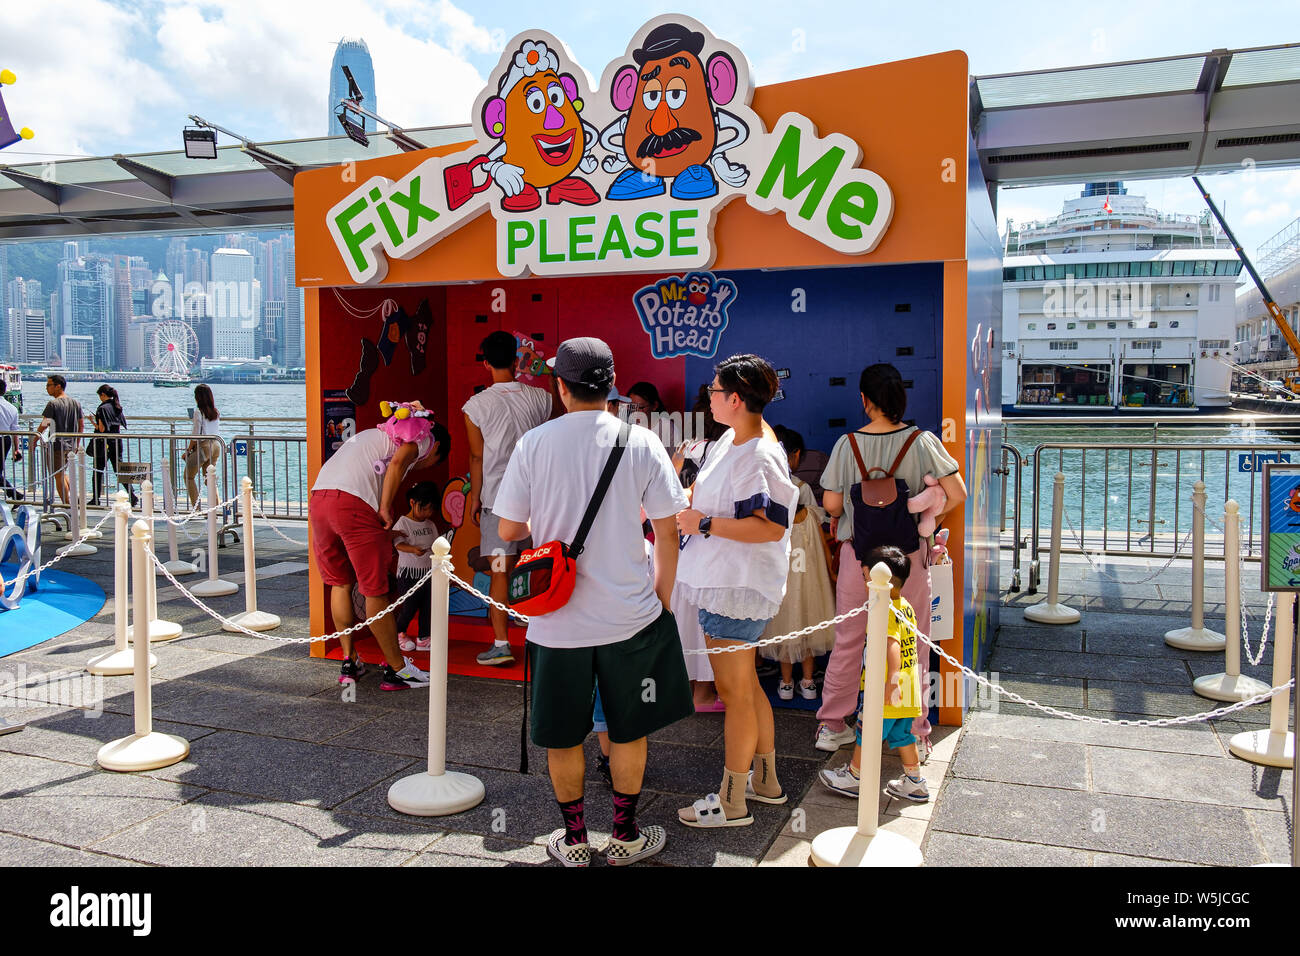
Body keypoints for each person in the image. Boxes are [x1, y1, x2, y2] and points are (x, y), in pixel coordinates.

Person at [492, 336, 692, 867]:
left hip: (556, 622)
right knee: (628, 729)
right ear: (611, 386)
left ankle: (575, 840)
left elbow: (510, 526)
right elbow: (667, 532)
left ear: (560, 387)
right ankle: (625, 834)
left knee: (562, 735)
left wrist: (550, 526)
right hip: (631, 617)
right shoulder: (641, 442)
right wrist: (663, 600)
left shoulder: (535, 443)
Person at [674, 354, 800, 829]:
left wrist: (702, 522)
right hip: (725, 581)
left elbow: (769, 528)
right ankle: (764, 782)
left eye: (714, 389)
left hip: (736, 586)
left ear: (735, 398)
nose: (708, 395)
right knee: (744, 686)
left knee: (736, 692)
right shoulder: (734, 439)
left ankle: (732, 800)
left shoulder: (759, 452)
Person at [814, 363, 966, 757]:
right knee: (913, 643)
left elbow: (831, 502)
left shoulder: (847, 445)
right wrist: (925, 524)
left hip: (857, 558)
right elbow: (957, 492)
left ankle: (833, 725)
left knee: (848, 641)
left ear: (864, 400)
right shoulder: (922, 441)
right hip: (909, 558)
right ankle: (915, 733)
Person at [310, 402, 450, 691]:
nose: (423, 466)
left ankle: (350, 659)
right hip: (352, 504)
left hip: (319, 499)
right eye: (431, 463)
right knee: (374, 589)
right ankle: (398, 670)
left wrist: (379, 525)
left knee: (340, 583)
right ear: (436, 450)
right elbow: (398, 464)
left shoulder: (379, 434)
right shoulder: (423, 437)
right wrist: (385, 509)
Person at [463, 330, 553, 667]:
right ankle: (537, 634)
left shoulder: (475, 406)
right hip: (537, 500)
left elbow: (476, 457)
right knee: (534, 565)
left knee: (500, 570)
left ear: (485, 362)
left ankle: (501, 644)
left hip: (497, 502)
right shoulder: (540, 398)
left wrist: (474, 498)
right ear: (517, 361)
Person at [818, 545, 929, 802]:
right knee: (903, 735)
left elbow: (892, 646)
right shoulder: (907, 606)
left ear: (875, 576)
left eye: (864, 572)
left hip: (886, 689)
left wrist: (891, 683)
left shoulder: (885, 609)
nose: (863, 576)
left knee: (867, 732)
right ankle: (915, 782)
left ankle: (856, 776)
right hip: (908, 688)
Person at [759, 426, 836, 700]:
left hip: (779, 576)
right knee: (807, 625)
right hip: (806, 577)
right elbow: (818, 523)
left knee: (783, 627)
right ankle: (807, 682)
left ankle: (786, 682)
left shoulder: (764, 490)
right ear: (795, 455)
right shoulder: (802, 491)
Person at [391, 481, 441, 652]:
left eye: (431, 509)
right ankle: (399, 633)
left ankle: (423, 637)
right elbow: (398, 544)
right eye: (424, 508)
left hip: (428, 573)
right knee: (409, 606)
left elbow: (436, 544)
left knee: (428, 606)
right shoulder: (403, 522)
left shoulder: (430, 524)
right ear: (412, 502)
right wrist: (413, 549)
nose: (427, 513)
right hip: (408, 574)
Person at [34, 374, 83, 507]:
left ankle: (67, 505)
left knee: (58, 476)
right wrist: (77, 444)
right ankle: (74, 498)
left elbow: (45, 423)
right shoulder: (75, 403)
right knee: (63, 473)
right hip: (71, 445)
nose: (46, 388)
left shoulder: (53, 404)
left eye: (49, 385)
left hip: (57, 445)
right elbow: (81, 425)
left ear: (58, 386)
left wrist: (35, 439)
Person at [92, 385, 134, 507]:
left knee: (97, 471)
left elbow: (102, 428)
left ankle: (96, 498)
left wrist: (92, 421)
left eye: (100, 396)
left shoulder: (102, 408)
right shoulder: (117, 407)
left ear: (103, 395)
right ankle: (132, 494)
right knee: (119, 470)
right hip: (116, 441)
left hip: (103, 443)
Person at [183, 384, 222, 505]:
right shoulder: (215, 412)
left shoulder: (198, 412)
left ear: (198, 397)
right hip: (216, 444)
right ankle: (215, 506)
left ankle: (196, 508)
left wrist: (188, 450)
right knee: (209, 478)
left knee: (188, 476)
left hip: (204, 446)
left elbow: (196, 434)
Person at [626, 381, 680, 452]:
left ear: (654, 406)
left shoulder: (666, 427)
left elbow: (676, 459)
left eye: (641, 407)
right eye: (632, 406)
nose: (635, 412)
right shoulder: (628, 426)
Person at [0, 391, 22, 501]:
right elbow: (14, 430)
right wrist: (16, 449)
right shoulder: (12, 408)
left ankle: (14, 494)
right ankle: (14, 494)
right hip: (5, 440)